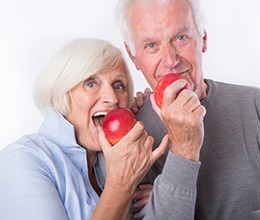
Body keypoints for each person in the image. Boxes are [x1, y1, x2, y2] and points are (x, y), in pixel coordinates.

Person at [103, 0, 260, 219]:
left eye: (181, 38)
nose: (171, 60)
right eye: (151, 45)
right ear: (134, 57)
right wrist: (184, 148)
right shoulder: (128, 138)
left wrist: (180, 203)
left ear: (203, 39)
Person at [0, 38, 169, 220]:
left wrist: (157, 202)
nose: (112, 98)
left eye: (118, 85)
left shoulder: (116, 161)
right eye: (91, 83)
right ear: (61, 92)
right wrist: (120, 186)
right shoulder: (22, 160)